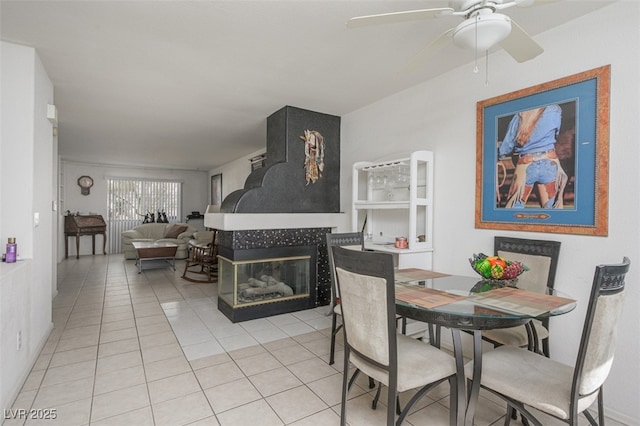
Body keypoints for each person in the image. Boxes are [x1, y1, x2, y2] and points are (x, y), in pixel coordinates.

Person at [498, 104, 568, 209]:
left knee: (513, 210)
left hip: (526, 165)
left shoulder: (521, 114)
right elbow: (555, 134)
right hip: (550, 162)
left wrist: (497, 152)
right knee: (553, 211)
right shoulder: (555, 110)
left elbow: (506, 147)